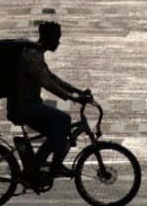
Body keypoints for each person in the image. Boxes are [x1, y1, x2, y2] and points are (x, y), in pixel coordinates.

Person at [7, 21, 90, 178]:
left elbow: (51, 77)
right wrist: (71, 97)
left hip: (28, 105)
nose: (58, 42)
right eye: (56, 38)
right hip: (23, 107)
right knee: (64, 120)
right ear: (47, 38)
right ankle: (55, 167)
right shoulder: (33, 55)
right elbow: (47, 83)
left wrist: (77, 91)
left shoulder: (36, 53)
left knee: (56, 133)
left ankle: (34, 169)